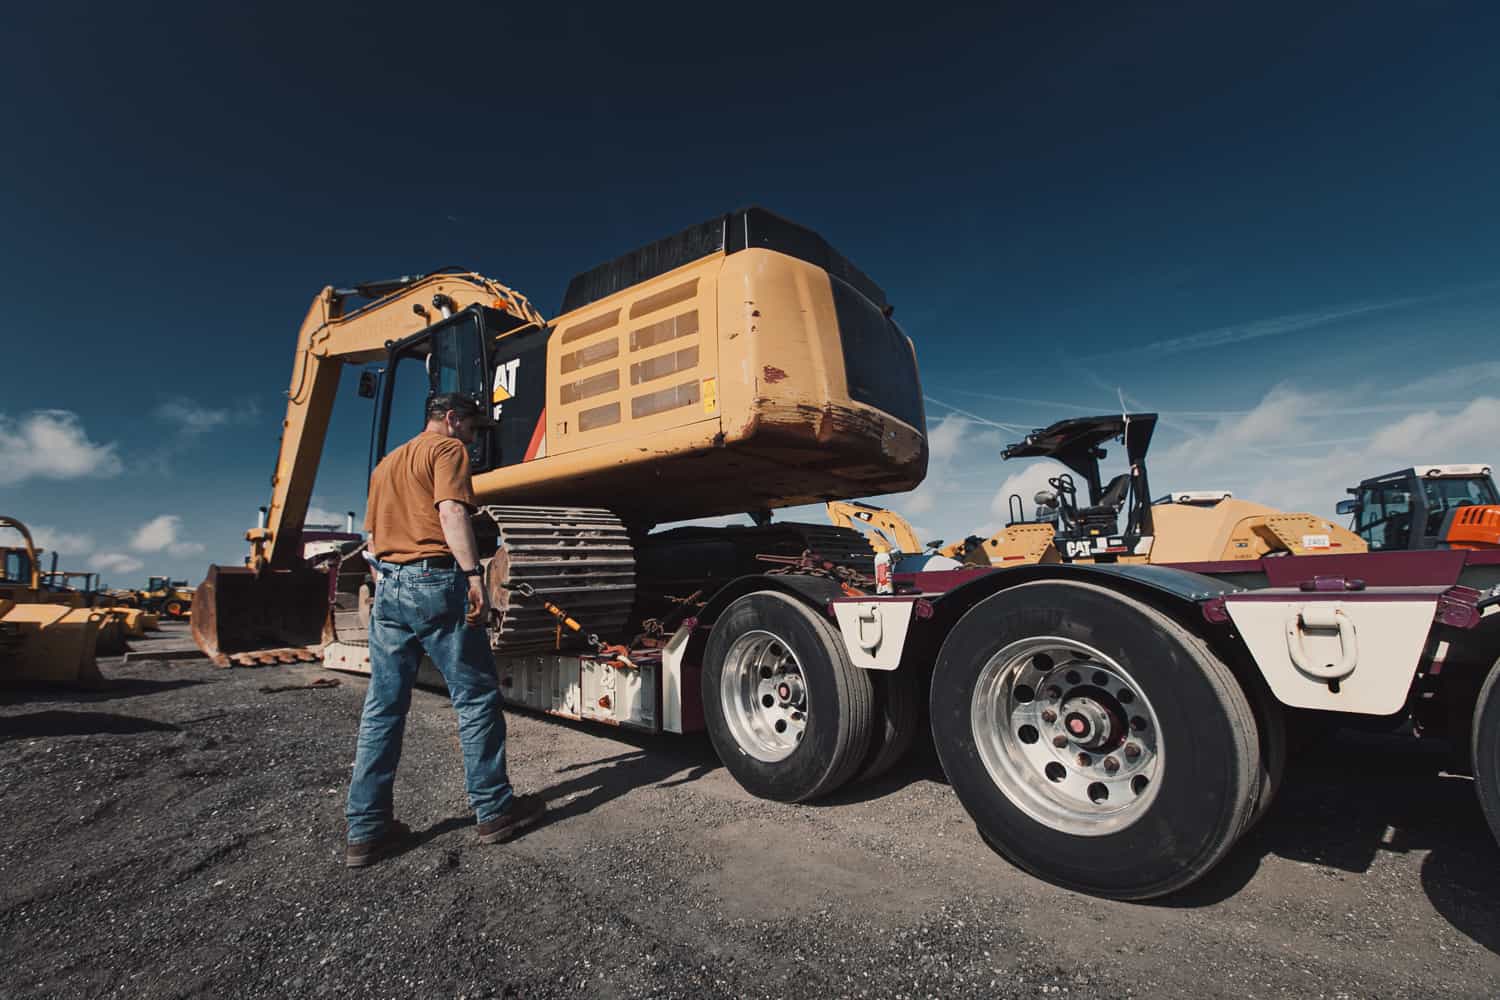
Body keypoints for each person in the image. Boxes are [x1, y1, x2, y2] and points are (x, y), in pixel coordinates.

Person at [344, 391, 544, 867]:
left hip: (390, 585)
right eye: (472, 428)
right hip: (435, 579)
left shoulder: (386, 466)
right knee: (474, 697)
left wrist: (391, 585)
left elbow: (371, 541)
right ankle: (494, 812)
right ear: (451, 419)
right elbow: (452, 512)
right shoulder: (446, 450)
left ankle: (366, 830)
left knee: (383, 708)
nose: (473, 440)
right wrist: (474, 576)